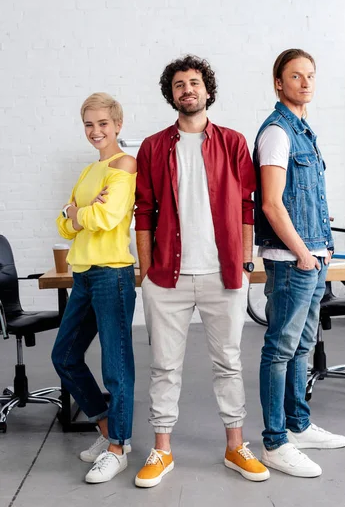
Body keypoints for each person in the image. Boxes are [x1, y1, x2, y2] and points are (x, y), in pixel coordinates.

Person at [134, 54, 269, 487]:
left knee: (229, 362)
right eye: (178, 85)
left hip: (223, 273)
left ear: (207, 90)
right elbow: (143, 212)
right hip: (166, 277)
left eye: (194, 82)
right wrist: (145, 269)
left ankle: (235, 446)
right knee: (164, 366)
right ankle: (162, 450)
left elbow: (248, 206)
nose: (187, 89)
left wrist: (246, 262)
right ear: (170, 95)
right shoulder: (154, 147)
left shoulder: (232, 142)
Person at [253, 49, 345, 478]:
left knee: (302, 346)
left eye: (310, 75)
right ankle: (274, 442)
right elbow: (272, 204)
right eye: (296, 76)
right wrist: (304, 253)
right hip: (293, 260)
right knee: (279, 348)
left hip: (313, 255)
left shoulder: (304, 130)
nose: (305, 82)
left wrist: (319, 250)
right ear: (279, 83)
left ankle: (298, 424)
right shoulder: (277, 132)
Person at [51, 93, 137, 484]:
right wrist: (75, 216)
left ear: (117, 124)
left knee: (116, 367)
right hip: (84, 273)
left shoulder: (124, 164)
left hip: (112, 274)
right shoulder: (91, 172)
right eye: (89, 124)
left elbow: (106, 215)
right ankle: (105, 427)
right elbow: (63, 223)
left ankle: (119, 446)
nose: (96, 131)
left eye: (103, 123)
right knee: (65, 355)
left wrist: (77, 213)